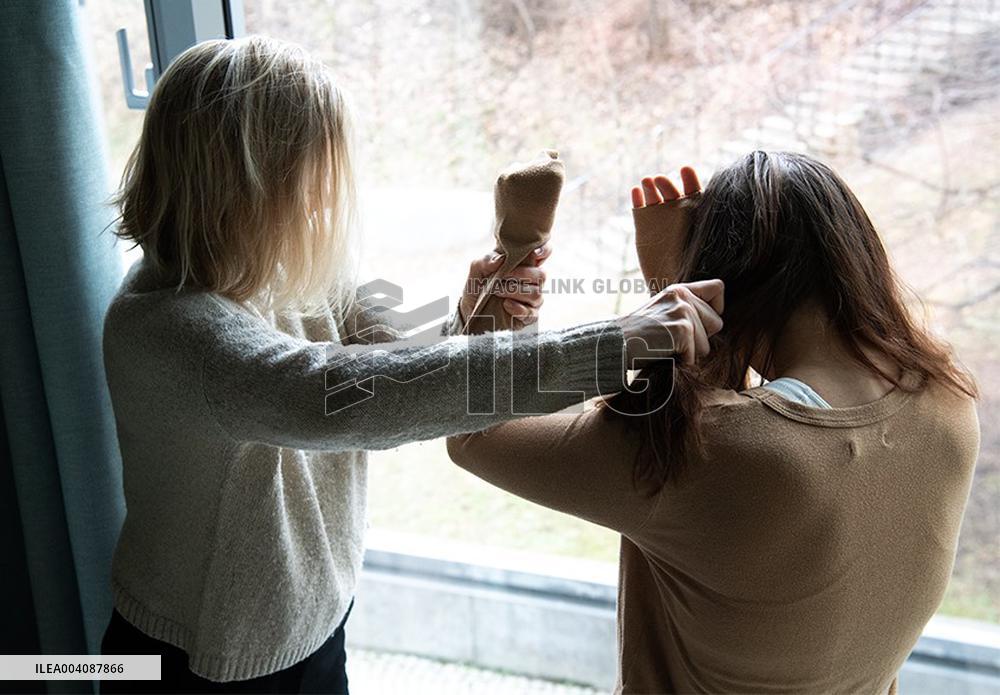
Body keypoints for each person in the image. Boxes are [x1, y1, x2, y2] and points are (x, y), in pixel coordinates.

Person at [98, 36, 724, 694]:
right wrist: (614, 343)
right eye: (311, 180)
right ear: (247, 185)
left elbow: (406, 361)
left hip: (310, 624)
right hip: (188, 658)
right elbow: (344, 397)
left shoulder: (280, 267)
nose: (321, 206)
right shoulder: (164, 328)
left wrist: (473, 309)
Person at [448, 151, 980, 694]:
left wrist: (516, 267)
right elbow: (766, 423)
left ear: (721, 283)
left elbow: (475, 429)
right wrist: (683, 288)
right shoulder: (950, 403)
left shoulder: (711, 453)